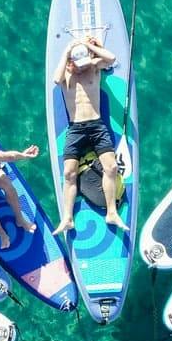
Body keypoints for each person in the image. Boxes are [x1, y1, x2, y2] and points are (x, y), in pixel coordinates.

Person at [51, 36, 123, 234]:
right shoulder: (65, 74)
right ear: (71, 61)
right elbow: (55, 79)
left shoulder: (94, 67)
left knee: (112, 167)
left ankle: (111, 212)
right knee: (69, 174)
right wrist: (67, 51)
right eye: (78, 64)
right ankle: (67, 217)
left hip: (97, 126)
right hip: (75, 129)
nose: (82, 68)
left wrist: (91, 47)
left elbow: (111, 58)